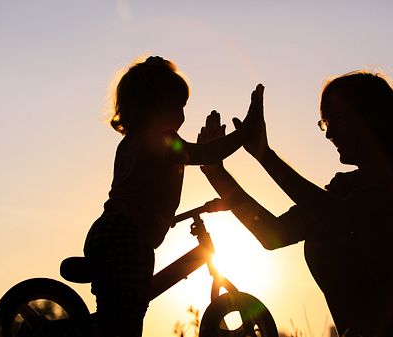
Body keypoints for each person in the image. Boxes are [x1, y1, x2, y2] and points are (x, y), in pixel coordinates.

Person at [198, 72, 393, 337]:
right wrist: (215, 170)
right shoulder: (347, 188)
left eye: (336, 119)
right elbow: (274, 233)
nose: (329, 133)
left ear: (372, 116)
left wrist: (265, 155)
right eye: (324, 122)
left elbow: (342, 218)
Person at [83, 56, 262, 337]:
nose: (180, 115)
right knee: (129, 314)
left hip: (108, 230)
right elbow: (205, 154)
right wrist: (243, 134)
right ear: (151, 108)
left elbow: (143, 193)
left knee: (113, 310)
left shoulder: (131, 143)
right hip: (127, 236)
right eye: (175, 106)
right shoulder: (160, 141)